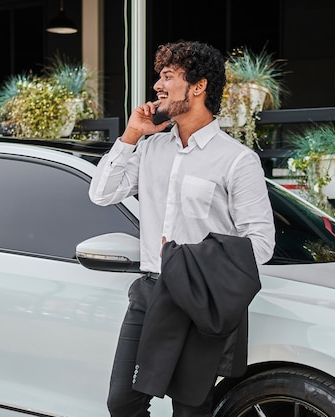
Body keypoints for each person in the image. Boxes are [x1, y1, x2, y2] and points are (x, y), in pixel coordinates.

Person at [89, 40, 276, 417]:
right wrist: (130, 136)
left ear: (199, 86)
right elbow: (102, 193)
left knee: (191, 408)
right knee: (123, 402)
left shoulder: (237, 160)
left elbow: (260, 243)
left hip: (202, 298)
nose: (157, 85)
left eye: (167, 76)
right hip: (151, 291)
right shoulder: (151, 149)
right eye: (159, 76)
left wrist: (188, 258)